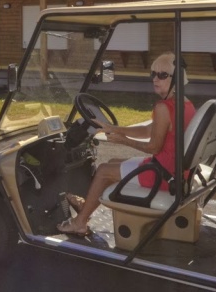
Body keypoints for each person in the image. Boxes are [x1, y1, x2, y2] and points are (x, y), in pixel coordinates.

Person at [57, 52, 196, 236]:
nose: (155, 79)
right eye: (153, 74)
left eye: (162, 75)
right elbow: (148, 131)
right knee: (114, 161)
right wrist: (115, 128)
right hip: (172, 169)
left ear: (176, 78)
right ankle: (86, 206)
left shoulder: (163, 107)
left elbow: (154, 147)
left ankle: (80, 222)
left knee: (104, 171)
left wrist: (122, 140)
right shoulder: (184, 103)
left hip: (162, 175)